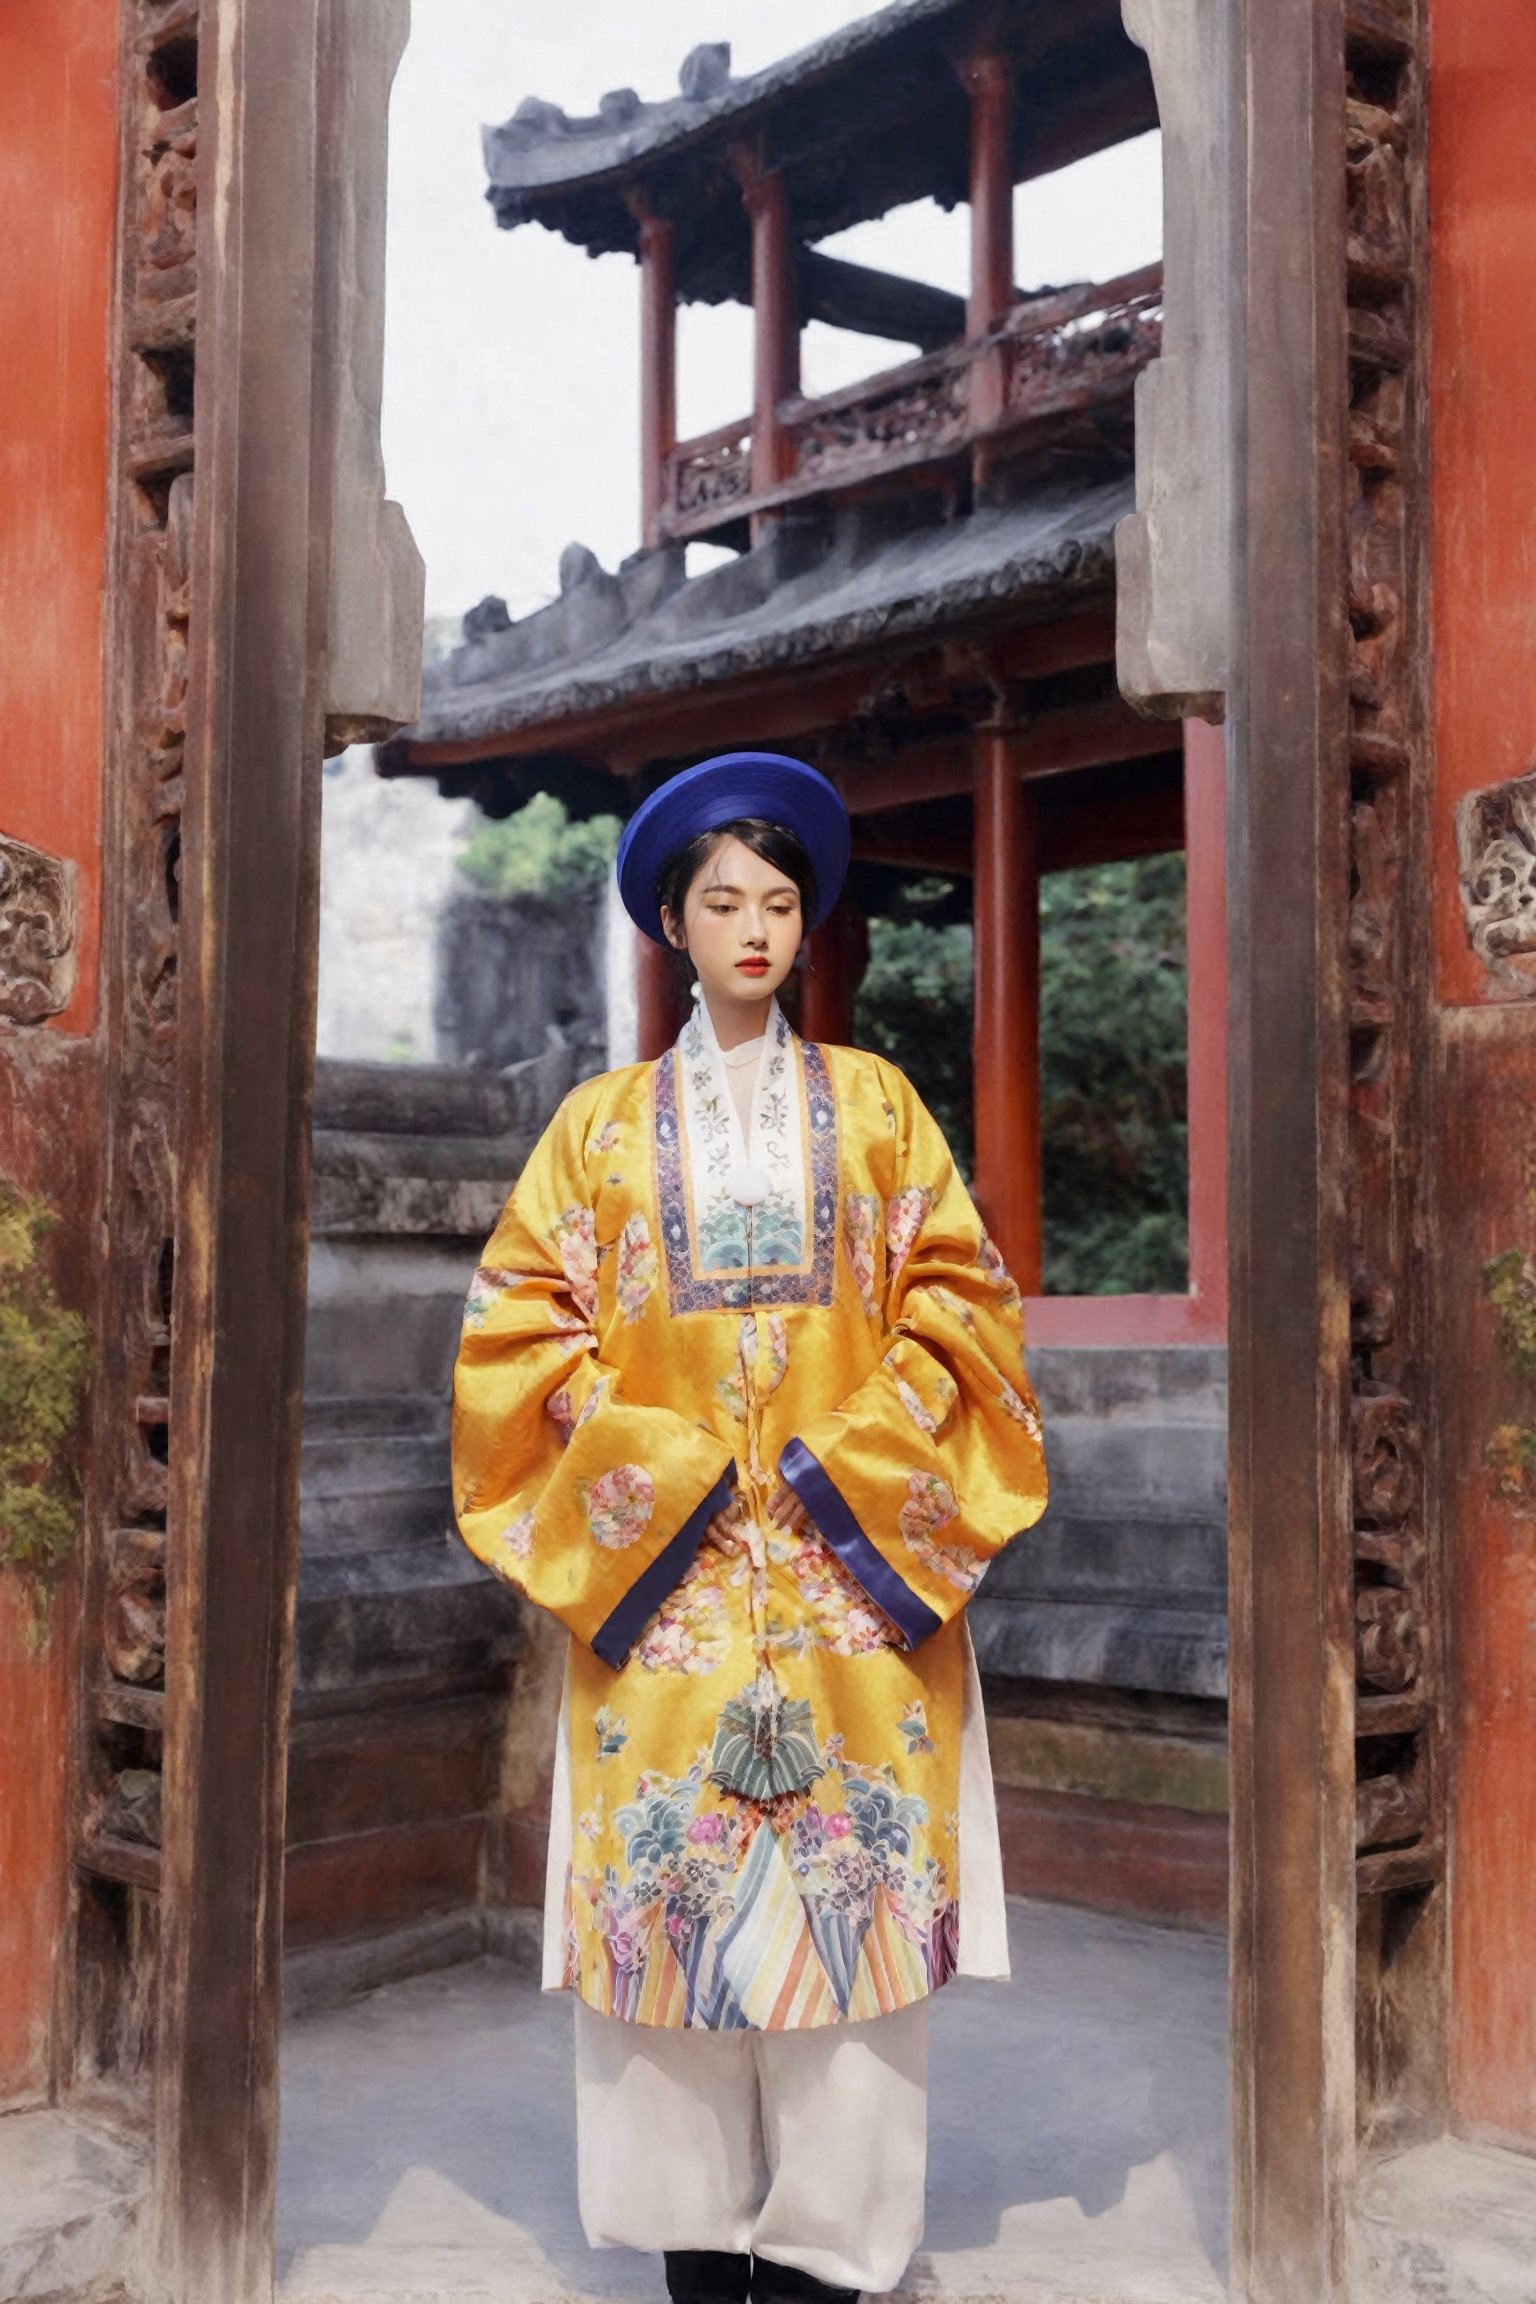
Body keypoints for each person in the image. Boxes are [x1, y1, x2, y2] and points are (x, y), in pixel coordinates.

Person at [452, 751, 1048, 2303]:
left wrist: (850, 1469)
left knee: (845, 1942)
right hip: (668, 1598)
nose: (756, 927)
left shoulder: (877, 1109)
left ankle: (834, 2257)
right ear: (672, 920)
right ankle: (695, 2253)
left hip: (855, 1597)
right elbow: (518, 1338)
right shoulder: (593, 1132)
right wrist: (669, 1471)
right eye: (723, 900)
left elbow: (965, 1309)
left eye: (781, 900)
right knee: (674, 1919)